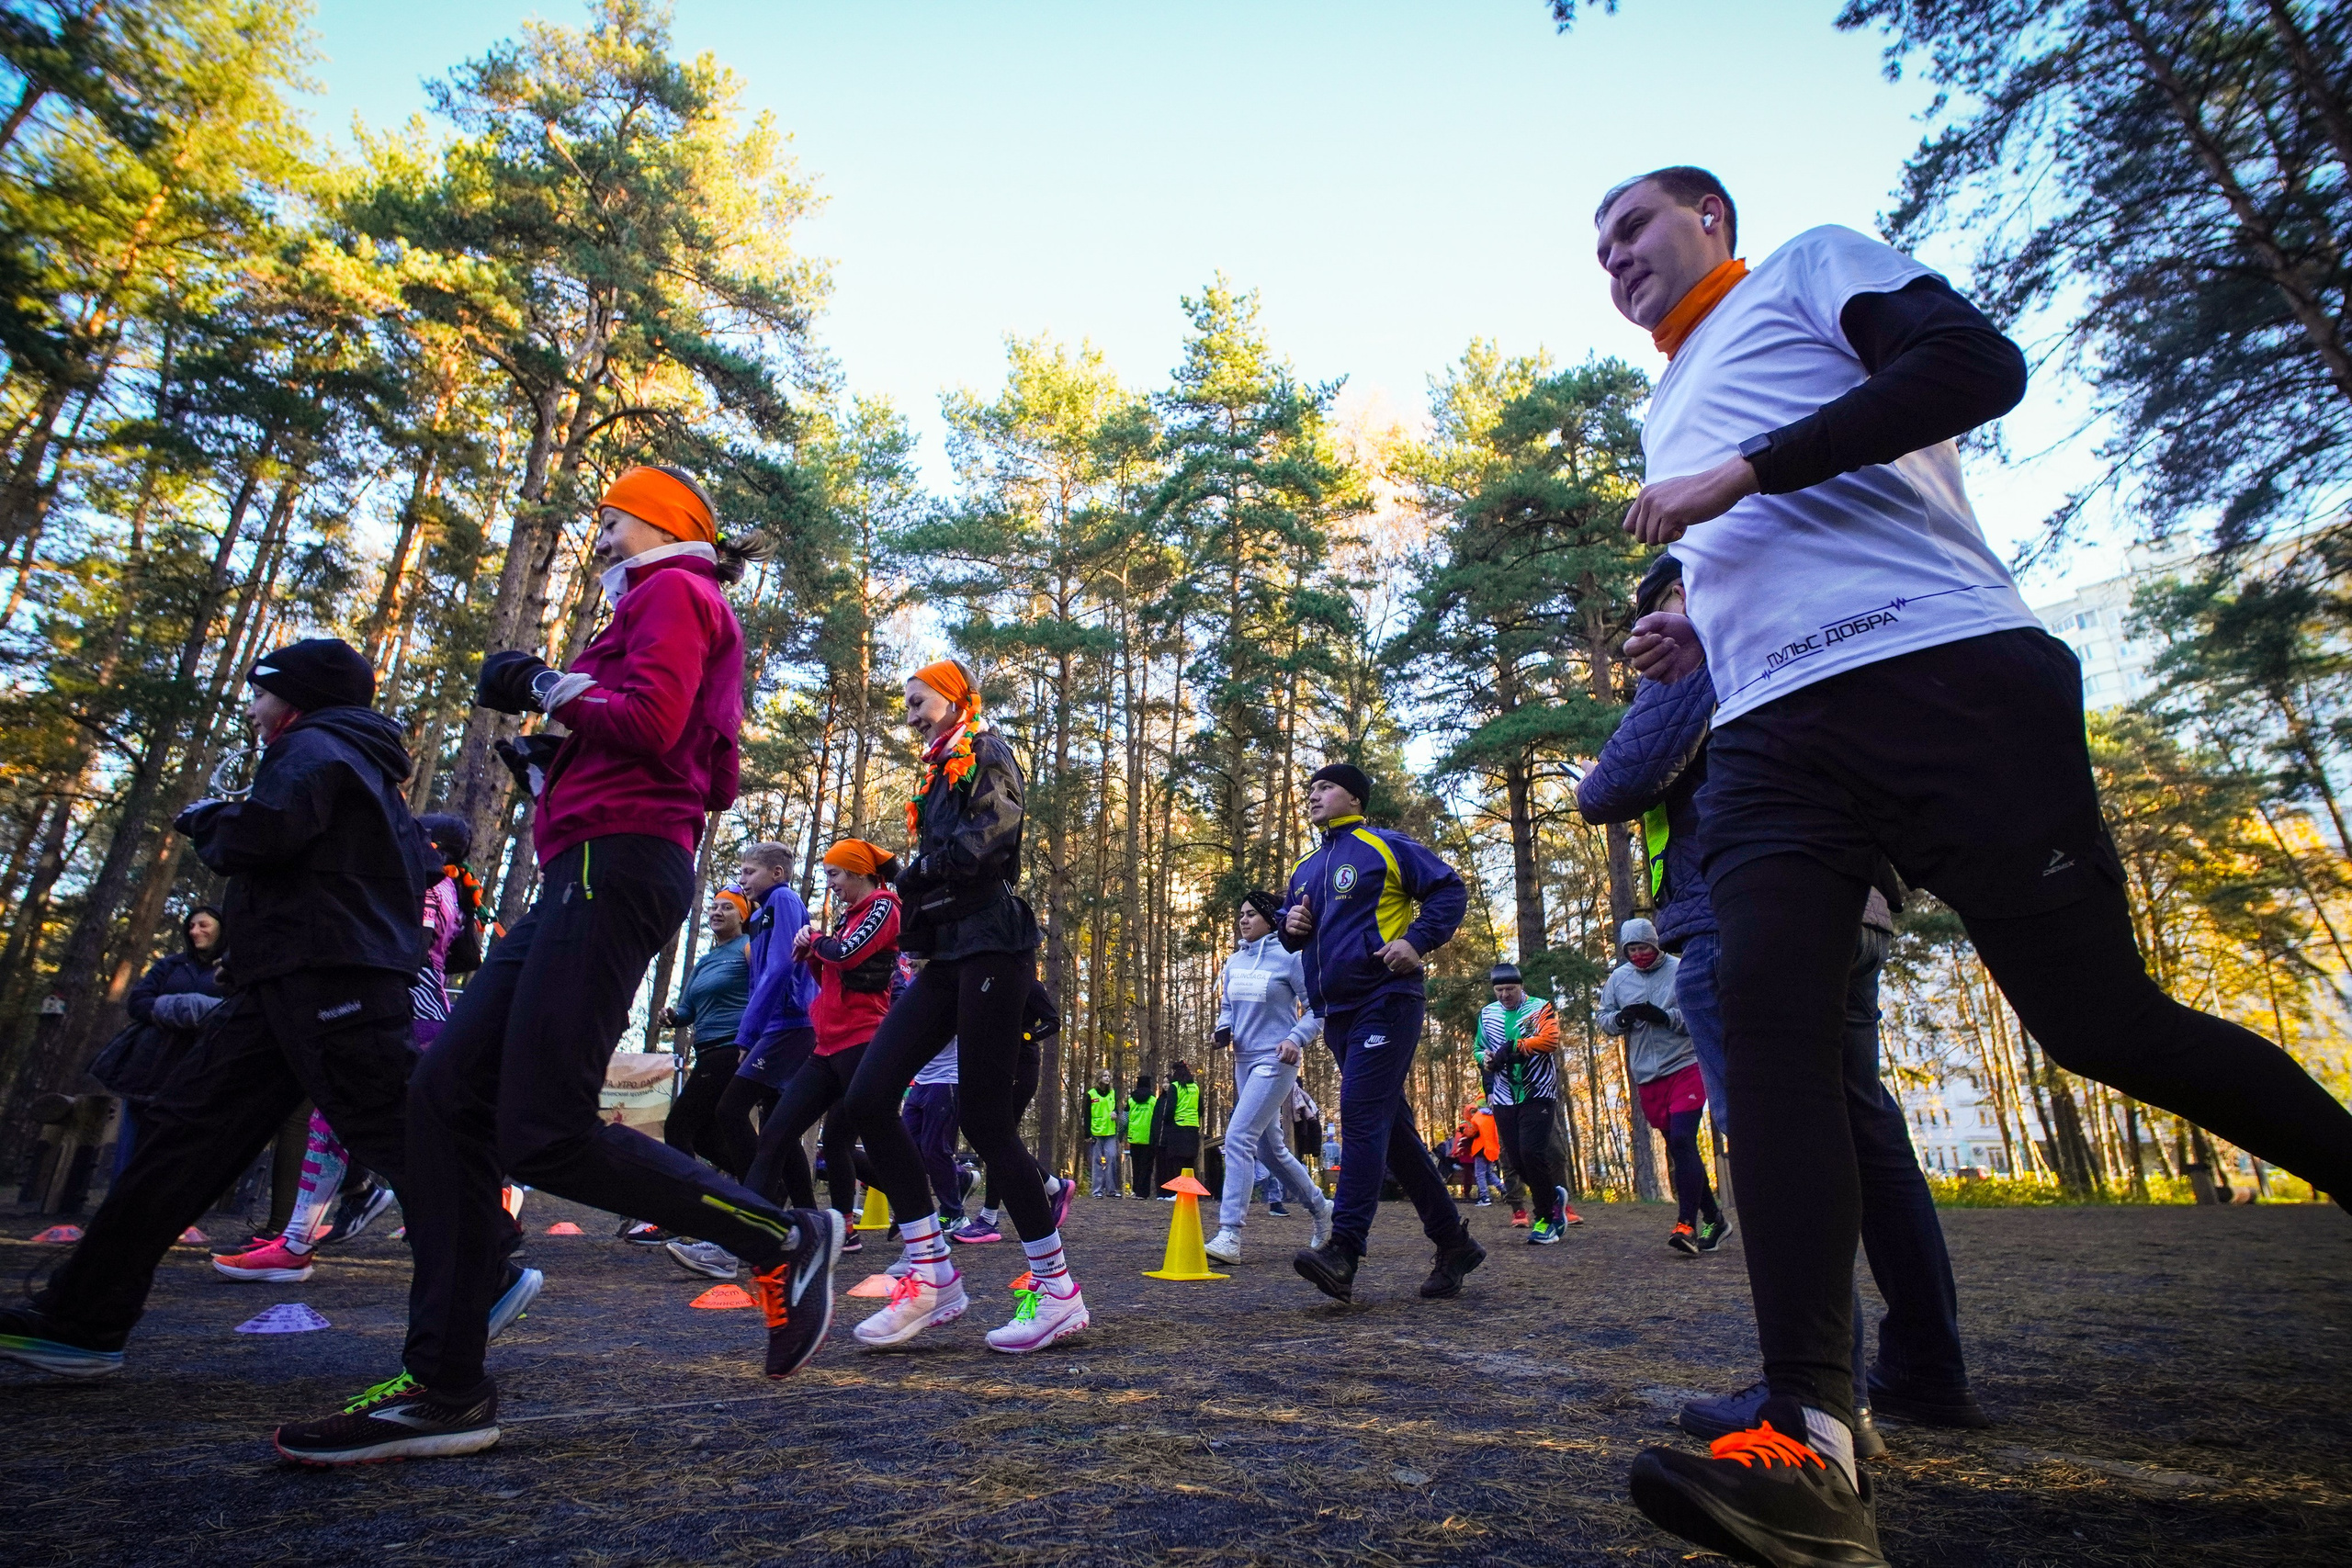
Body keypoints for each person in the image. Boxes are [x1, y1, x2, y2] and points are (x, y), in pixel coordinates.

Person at [1589, 167, 2352, 1563]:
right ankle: (1815, 1440)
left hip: (1942, 669)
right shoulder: (1668, 393)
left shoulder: (1810, 269)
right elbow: (1771, 542)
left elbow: (1973, 366)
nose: (1613, 258)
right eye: (1597, 249)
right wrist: (1703, 625)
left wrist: (1738, 474)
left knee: (2099, 1022)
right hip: (1770, 738)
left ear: (1712, 215)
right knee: (1770, 1049)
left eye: (1631, 226)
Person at [265, 468, 842, 1464]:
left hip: (613, 864)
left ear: (658, 521)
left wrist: (540, 685)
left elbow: (656, 726)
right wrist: (552, 763)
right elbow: (698, 757)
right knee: (442, 1097)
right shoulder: (665, 602)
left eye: (611, 518)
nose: (600, 535)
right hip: (585, 861)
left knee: (543, 1128)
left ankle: (780, 1236)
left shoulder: (674, 591)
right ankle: (445, 1383)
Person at [0, 638, 490, 1386]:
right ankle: (81, 1318)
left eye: (261, 694)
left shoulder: (315, 748)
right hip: (288, 978)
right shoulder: (372, 772)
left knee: (391, 1127)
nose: (253, 710)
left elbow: (266, 836)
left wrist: (211, 821)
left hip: (329, 978)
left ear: (294, 697)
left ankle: (484, 1272)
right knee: (185, 1137)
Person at [1580, 550, 1976, 1460]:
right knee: (1866, 1136)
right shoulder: (1812, 633)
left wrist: (1666, 673)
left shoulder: (1715, 641)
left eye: (1659, 606)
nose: (1648, 631)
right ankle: (1926, 1365)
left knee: (1780, 1136)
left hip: (1742, 913)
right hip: (1855, 905)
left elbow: (1610, 787)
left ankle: (1818, 1395)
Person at [842, 659, 1088, 1354]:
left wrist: (907, 874)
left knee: (985, 1119)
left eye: (919, 702)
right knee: (866, 1099)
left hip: (992, 949)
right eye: (908, 705)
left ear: (954, 700)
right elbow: (947, 858)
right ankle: (932, 1273)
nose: (912, 714)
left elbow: (986, 845)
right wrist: (906, 883)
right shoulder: (938, 766)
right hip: (948, 954)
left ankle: (1058, 1290)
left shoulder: (985, 751)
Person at [211, 811, 479, 1280]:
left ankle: (473, 1244)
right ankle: (338, 1217)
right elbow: (465, 956)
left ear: (431, 844)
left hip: (408, 1015)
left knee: (345, 1117)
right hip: (429, 1018)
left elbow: (411, 948)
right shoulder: (451, 889)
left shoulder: (423, 884)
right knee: (354, 1121)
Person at [1279, 761, 1482, 1303]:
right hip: (1336, 1011)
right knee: (1392, 1135)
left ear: (1354, 797)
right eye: (1311, 787)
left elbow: (1448, 890)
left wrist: (1417, 942)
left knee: (1363, 1114)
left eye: (1325, 787)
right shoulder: (1306, 868)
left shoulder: (1384, 846)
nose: (1314, 794)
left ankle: (1343, 1249)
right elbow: (1292, 926)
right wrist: (1290, 927)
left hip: (1387, 999)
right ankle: (1453, 1242)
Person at [675, 841, 903, 1280]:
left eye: (836, 874)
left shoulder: (879, 905)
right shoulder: (837, 915)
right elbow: (826, 972)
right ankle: (740, 1243)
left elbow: (843, 956)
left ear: (857, 872)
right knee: (779, 1135)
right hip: (824, 1041)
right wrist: (813, 953)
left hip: (850, 1038)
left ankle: (924, 1231)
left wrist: (813, 944)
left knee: (872, 1134)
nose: (830, 884)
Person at [1204, 891, 1333, 1265]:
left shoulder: (1291, 958)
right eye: (1241, 914)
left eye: (1251, 915)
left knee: (1238, 1137)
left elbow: (1317, 1009)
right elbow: (1227, 1008)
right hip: (1243, 1061)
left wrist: (1296, 1038)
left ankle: (1230, 1233)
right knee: (1269, 1150)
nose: (1243, 921)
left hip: (1276, 1060)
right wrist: (1222, 1030)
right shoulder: (1233, 961)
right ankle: (1322, 1208)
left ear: (1270, 919)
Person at [1599, 919, 1723, 1254]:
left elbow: (1699, 1013)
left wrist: (1665, 1017)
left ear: (1657, 945)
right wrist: (1621, 1020)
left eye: (1645, 948)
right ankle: (1714, 1217)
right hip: (1647, 1074)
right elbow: (1604, 1018)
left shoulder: (1680, 970)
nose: (1639, 954)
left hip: (1686, 1064)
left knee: (1683, 1139)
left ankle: (1686, 1226)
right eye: (1632, 949)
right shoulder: (1619, 979)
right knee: (1679, 1148)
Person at [707, 841, 819, 1182]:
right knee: (775, 1129)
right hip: (778, 1024)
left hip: (789, 1023)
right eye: (741, 871)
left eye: (749, 871)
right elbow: (761, 975)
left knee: (730, 1110)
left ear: (777, 873)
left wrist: (748, 1033)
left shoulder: (782, 900)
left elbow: (781, 966)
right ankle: (806, 1218)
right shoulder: (760, 912)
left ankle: (755, 1204)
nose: (742, 879)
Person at [89, 906, 226, 1180]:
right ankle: (120, 1204)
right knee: (134, 1137)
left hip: (201, 1066)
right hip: (150, 1064)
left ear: (222, 928)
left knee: (182, 1141)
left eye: (203, 925)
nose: (194, 931)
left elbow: (241, 1009)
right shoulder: (170, 965)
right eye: (191, 926)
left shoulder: (233, 969)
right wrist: (178, 1008)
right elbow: (138, 1003)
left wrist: (200, 1008)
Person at [955, 980, 1070, 1244]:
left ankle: (989, 1218)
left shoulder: (1030, 986)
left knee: (999, 1138)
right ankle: (1054, 1186)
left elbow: (1053, 1022)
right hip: (995, 1066)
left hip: (1023, 1066)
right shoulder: (988, 984)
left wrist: (1025, 1036)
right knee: (994, 1138)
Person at [1475, 963, 1580, 1244]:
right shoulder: (1488, 1014)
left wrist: (1517, 1047)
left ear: (1520, 986)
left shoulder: (1540, 1007)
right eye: (1500, 990)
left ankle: (1545, 1218)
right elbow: (1479, 1047)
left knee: (1532, 1152)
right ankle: (1552, 1196)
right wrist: (1484, 1059)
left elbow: (1550, 1040)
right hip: (1505, 1094)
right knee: (1516, 1158)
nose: (1505, 995)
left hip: (1538, 1092)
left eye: (1510, 989)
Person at [661, 885, 753, 1173]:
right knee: (704, 1137)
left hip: (732, 1049)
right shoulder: (704, 962)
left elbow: (768, 988)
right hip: (706, 1051)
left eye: (727, 907)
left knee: (678, 1127)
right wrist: (673, 1016)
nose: (716, 912)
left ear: (742, 916)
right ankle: (764, 1186)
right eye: (714, 907)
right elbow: (688, 1009)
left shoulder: (749, 946)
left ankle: (689, 1202)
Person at [1149, 1059, 1203, 1196]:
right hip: (1193, 1128)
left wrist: (1166, 1119)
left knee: (1176, 1162)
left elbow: (1170, 1108)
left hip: (1178, 1128)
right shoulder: (1195, 1087)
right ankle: (1189, 1192)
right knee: (1189, 1163)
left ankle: (1178, 1192)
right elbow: (1200, 1109)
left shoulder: (1175, 1087)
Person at [1086, 1069, 1121, 1197]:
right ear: (1099, 1078)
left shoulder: (1112, 1093)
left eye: (1109, 1076)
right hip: (1096, 1132)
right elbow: (1087, 1115)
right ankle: (1097, 1191)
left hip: (1110, 1132)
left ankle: (1111, 1190)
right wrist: (1087, 1134)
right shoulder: (1091, 1094)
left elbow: (1116, 1108)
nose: (1107, 1078)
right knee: (1097, 1162)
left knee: (1111, 1158)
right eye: (1105, 1076)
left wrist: (1115, 1113)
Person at [1125, 1074, 1158, 1198]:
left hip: (1134, 1137)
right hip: (1148, 1137)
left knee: (1136, 1165)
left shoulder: (1131, 1101)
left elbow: (1124, 1118)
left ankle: (1136, 1190)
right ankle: (1143, 1192)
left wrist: (1121, 1133)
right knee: (1146, 1166)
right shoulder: (1153, 1101)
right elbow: (1157, 1118)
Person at [1464, 1104, 1501, 1205]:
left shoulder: (1477, 1117)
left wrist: (1464, 1131)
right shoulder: (1493, 1116)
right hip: (1492, 1148)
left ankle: (1484, 1197)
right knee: (1489, 1173)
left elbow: (1472, 1132)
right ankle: (1505, 1190)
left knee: (1480, 1174)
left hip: (1481, 1149)